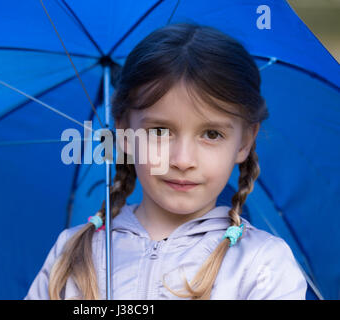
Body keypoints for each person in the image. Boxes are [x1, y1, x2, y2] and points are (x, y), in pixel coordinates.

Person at [24, 23, 307, 300]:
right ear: (123, 131)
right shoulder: (72, 253)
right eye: (159, 131)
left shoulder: (262, 266)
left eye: (211, 134)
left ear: (244, 141)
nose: (183, 160)